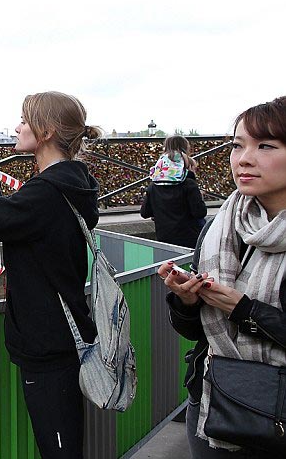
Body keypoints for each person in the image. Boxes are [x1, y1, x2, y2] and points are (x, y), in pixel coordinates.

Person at [0, 91, 102, 459]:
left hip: (47, 343)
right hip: (58, 336)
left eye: (24, 120)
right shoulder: (68, 184)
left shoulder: (47, 194)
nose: (17, 127)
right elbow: (3, 218)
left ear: (48, 131)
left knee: (59, 449)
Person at [159, 96, 286, 458]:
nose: (244, 158)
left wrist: (245, 311)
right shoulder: (221, 227)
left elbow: (241, 314)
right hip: (215, 404)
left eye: (265, 145)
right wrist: (186, 300)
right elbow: (197, 333)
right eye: (237, 145)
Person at [141, 135, 208, 248]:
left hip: (164, 239)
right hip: (190, 241)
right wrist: (199, 195)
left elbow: (145, 213)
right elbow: (200, 212)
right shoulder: (189, 185)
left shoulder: (154, 186)